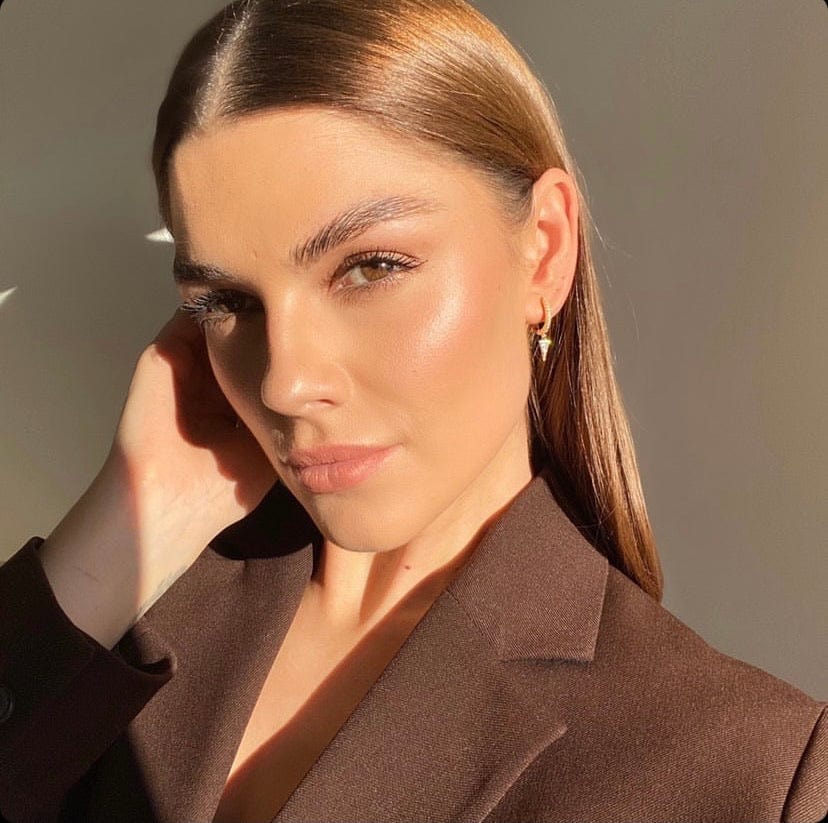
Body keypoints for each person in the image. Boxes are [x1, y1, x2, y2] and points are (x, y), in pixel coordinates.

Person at [0, 0, 825, 821]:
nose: (284, 382)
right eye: (228, 301)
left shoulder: (753, 772)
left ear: (544, 249)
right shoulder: (110, 630)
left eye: (371, 267)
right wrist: (126, 524)